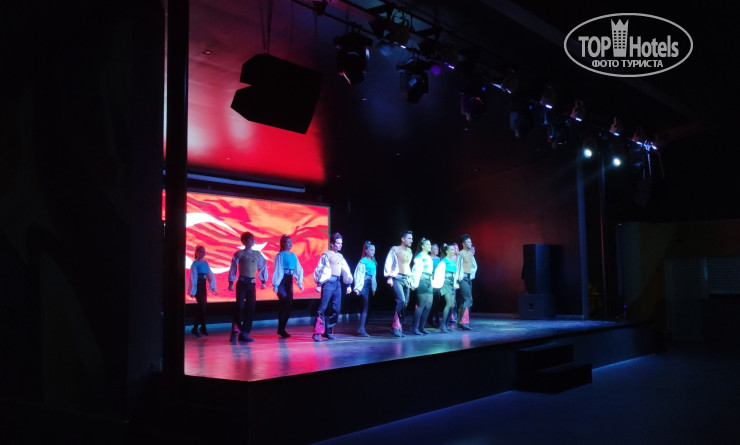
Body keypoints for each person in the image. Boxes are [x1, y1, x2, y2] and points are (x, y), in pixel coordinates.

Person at [228, 232, 268, 343]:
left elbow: (262, 267)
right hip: (242, 283)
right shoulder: (239, 254)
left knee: (250, 308)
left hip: (251, 284)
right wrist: (231, 282)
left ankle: (244, 334)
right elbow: (233, 267)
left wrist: (263, 281)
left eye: (252, 239)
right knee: (239, 306)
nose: (252, 241)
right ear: (244, 241)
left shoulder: (257, 254)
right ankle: (234, 331)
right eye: (250, 239)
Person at [312, 232, 352, 342]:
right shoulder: (326, 255)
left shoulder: (340, 256)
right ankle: (317, 332)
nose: (340, 245)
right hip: (328, 283)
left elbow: (346, 270)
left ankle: (328, 331)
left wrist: (349, 284)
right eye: (338, 243)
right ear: (332, 244)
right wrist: (319, 284)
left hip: (337, 284)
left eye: (341, 243)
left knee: (337, 309)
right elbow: (320, 269)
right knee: (323, 308)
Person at [272, 234, 304, 338]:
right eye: (288, 242)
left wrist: (299, 282)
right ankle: (280, 328)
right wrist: (276, 285)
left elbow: (298, 269)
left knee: (288, 304)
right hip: (281, 281)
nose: (290, 244)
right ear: (283, 243)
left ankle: (282, 329)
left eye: (291, 242)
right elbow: (278, 270)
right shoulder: (280, 255)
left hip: (289, 280)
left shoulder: (293, 255)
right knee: (284, 301)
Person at [384, 230, 414, 337]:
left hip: (406, 279)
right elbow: (389, 262)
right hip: (397, 278)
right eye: (409, 238)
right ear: (403, 239)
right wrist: (389, 277)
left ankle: (399, 326)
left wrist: (410, 280)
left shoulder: (409, 251)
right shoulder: (395, 249)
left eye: (412, 238)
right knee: (401, 300)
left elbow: (407, 266)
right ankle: (395, 327)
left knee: (405, 303)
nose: (411, 240)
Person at [188, 245, 218, 337]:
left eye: (203, 251)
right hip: (198, 286)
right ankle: (198, 328)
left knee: (203, 307)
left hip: (203, 286)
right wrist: (193, 290)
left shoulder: (205, 263)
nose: (202, 253)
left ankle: (201, 327)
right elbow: (193, 277)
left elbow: (209, 275)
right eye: (200, 251)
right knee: (202, 306)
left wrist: (213, 286)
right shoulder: (195, 264)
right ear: (196, 253)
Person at [352, 241, 377, 337]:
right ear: (366, 250)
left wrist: (374, 288)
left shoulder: (373, 261)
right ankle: (361, 328)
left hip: (369, 285)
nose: (373, 251)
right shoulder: (363, 261)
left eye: (374, 250)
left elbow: (374, 276)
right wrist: (357, 287)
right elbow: (358, 274)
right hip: (364, 284)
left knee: (367, 307)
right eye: (371, 250)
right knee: (365, 306)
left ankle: (362, 328)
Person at [409, 237, 434, 335]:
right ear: (422, 246)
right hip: (422, 280)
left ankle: (422, 327)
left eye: (430, 244)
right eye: (427, 244)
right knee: (421, 305)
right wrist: (414, 283)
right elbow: (415, 271)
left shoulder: (428, 256)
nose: (430, 246)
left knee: (429, 305)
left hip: (429, 281)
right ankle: (414, 327)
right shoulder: (419, 256)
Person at [432, 243, 458, 333]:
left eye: (454, 249)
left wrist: (456, 284)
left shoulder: (453, 261)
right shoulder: (443, 261)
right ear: (447, 251)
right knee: (448, 303)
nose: (453, 251)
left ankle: (446, 325)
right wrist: (438, 284)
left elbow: (455, 273)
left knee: (452, 305)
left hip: (452, 283)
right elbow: (438, 273)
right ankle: (443, 325)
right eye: (451, 249)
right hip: (445, 283)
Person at [455, 234, 477, 330]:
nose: (470, 243)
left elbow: (474, 266)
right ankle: (461, 321)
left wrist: (471, 275)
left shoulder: (470, 254)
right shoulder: (461, 254)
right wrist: (458, 280)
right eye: (468, 242)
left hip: (468, 278)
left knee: (466, 300)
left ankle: (459, 321)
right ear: (463, 244)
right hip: (462, 278)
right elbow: (458, 267)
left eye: (470, 241)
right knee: (469, 300)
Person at [426, 243, 442, 329]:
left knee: (436, 301)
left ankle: (431, 319)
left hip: (438, 281)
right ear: (431, 250)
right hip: (430, 281)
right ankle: (435, 320)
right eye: (435, 249)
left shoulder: (439, 259)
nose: (437, 250)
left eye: (437, 249)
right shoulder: (428, 258)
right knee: (431, 302)